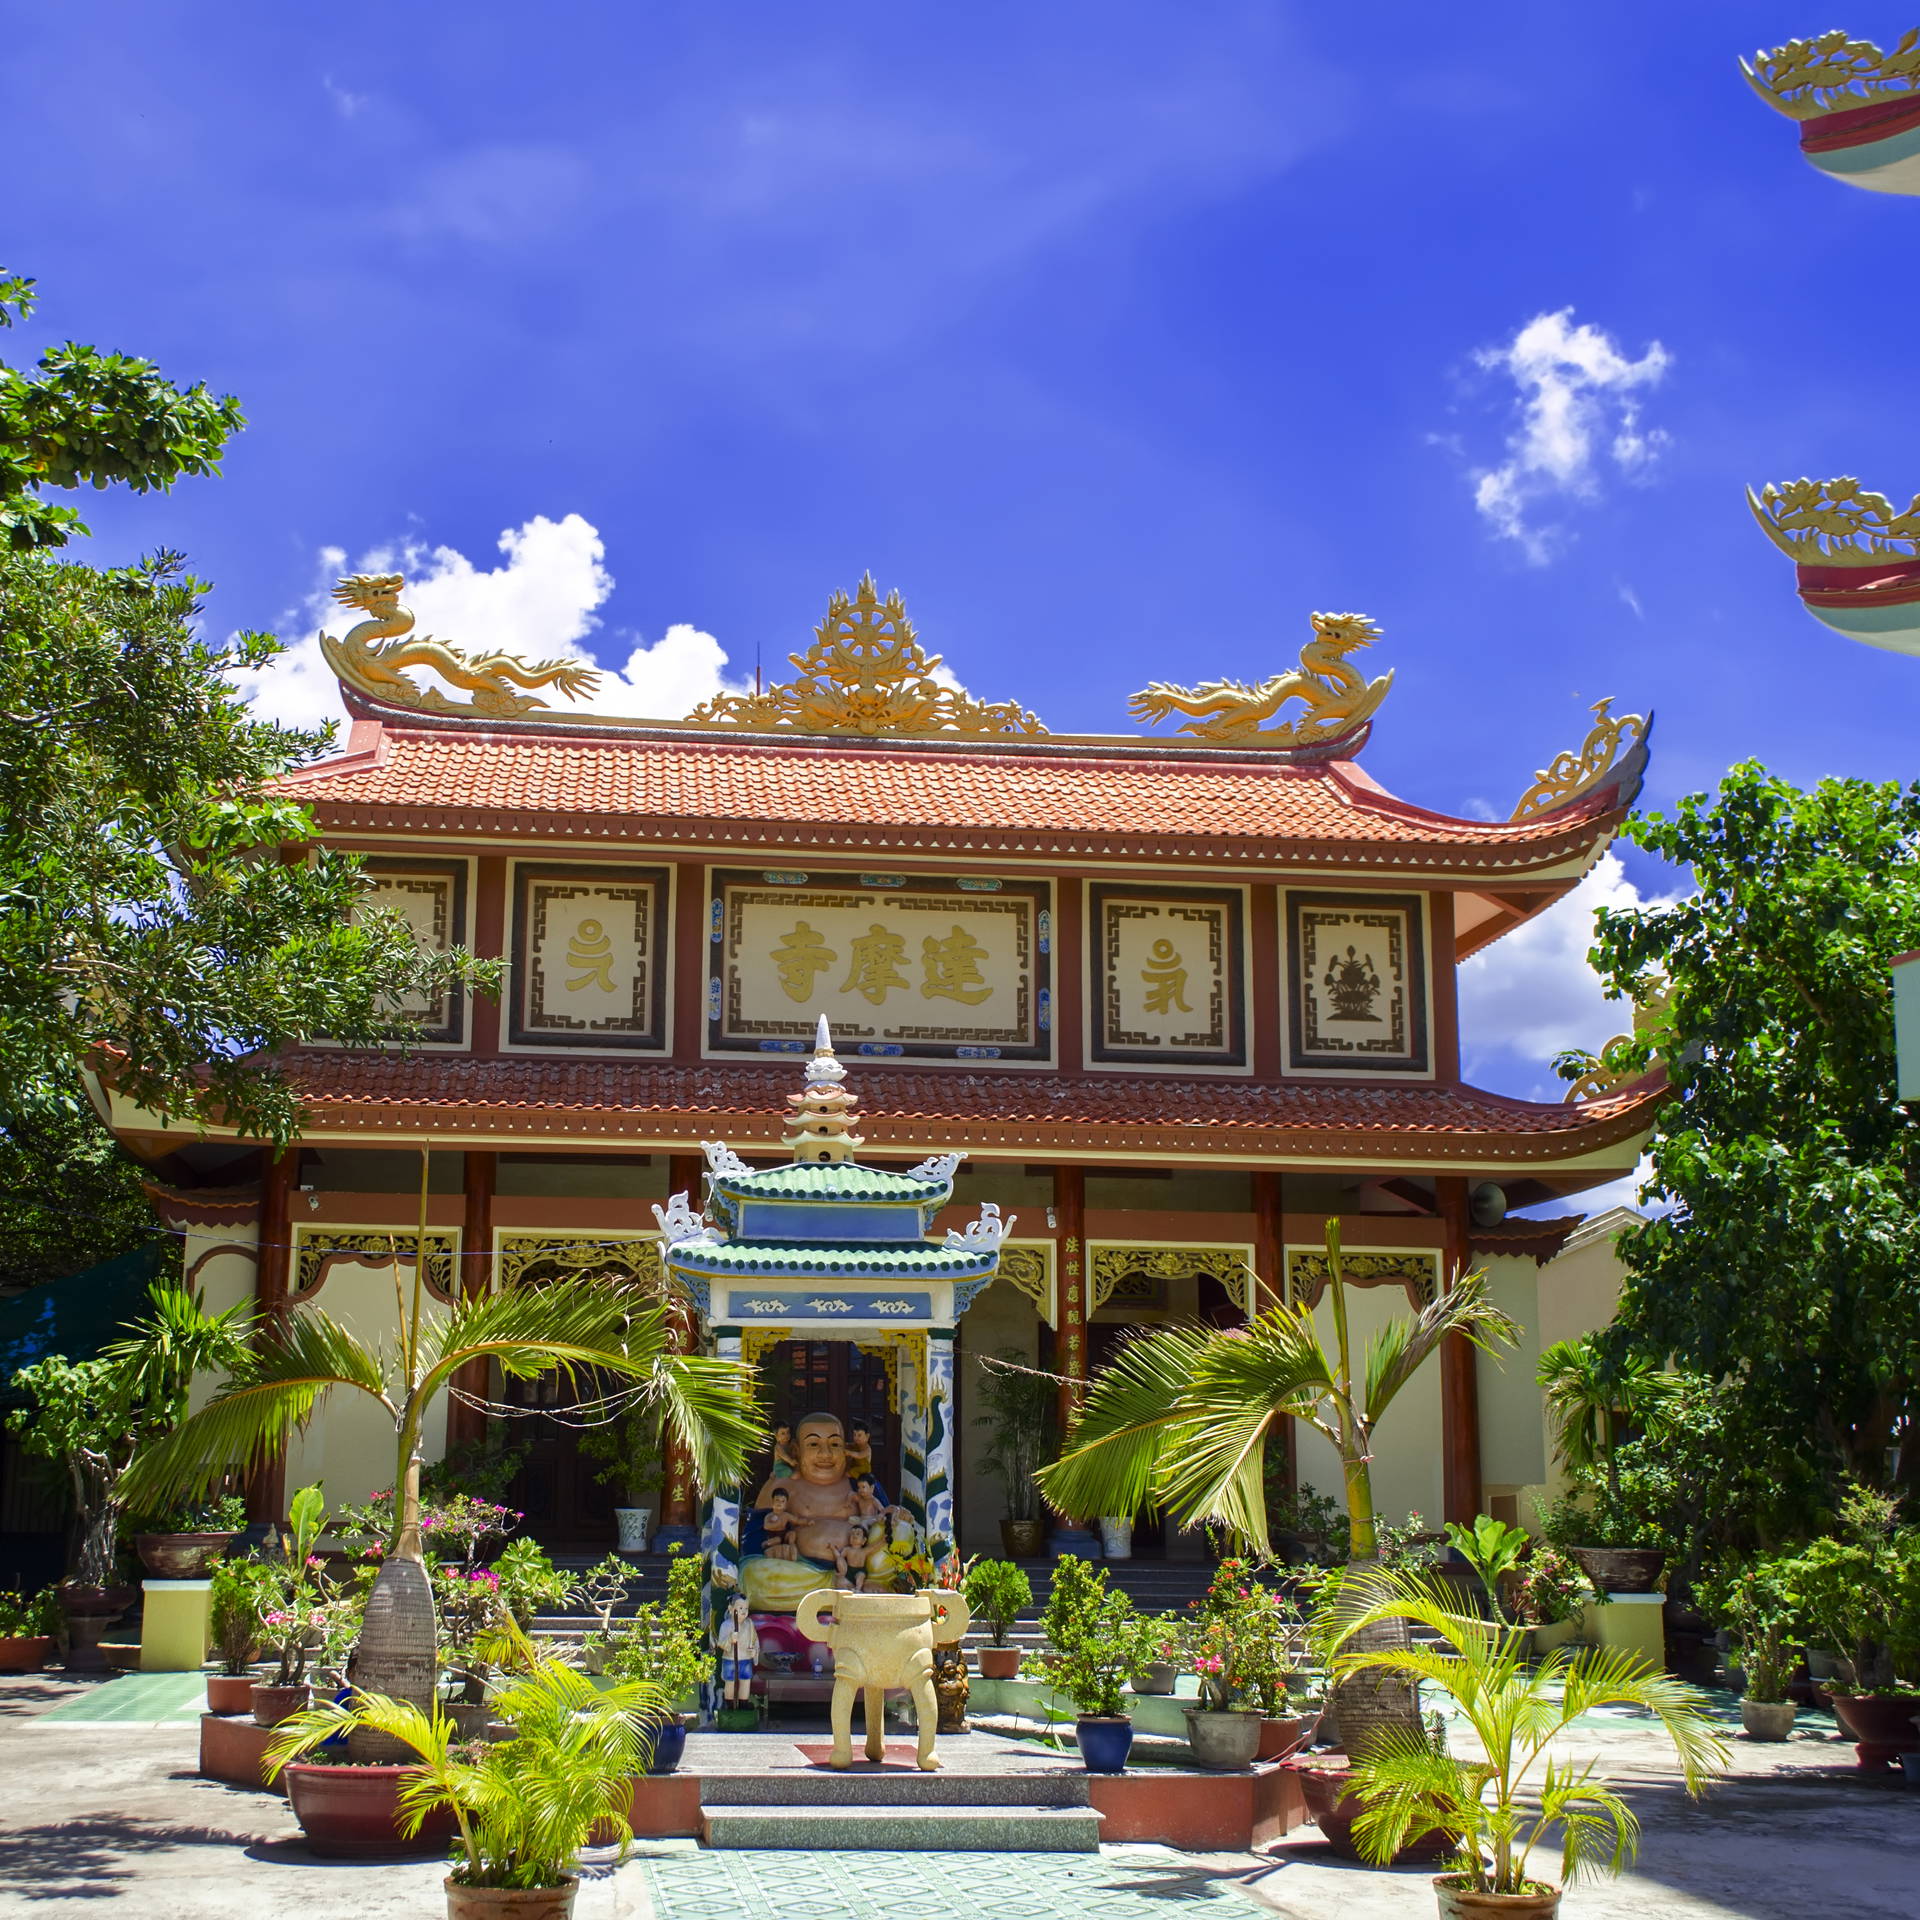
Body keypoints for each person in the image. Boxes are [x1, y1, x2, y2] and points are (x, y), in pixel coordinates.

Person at [714, 1593, 760, 1708]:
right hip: (730, 1659)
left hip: (745, 1658)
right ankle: (730, 1704)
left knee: (745, 1681)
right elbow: (721, 1643)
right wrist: (730, 1639)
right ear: (731, 1609)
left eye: (746, 1608)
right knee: (730, 1682)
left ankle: (743, 1703)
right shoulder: (726, 1625)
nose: (744, 1611)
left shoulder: (749, 1624)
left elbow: (755, 1640)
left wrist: (754, 1651)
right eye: (740, 1608)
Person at [760, 1485, 799, 1559]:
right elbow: (766, 1526)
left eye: (782, 1501)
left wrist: (806, 1522)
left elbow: (796, 1520)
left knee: (792, 1534)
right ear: (772, 1502)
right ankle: (767, 1543)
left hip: (784, 1535)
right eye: (777, 1500)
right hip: (774, 1536)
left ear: (785, 1505)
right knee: (777, 1540)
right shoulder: (769, 1516)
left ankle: (792, 1548)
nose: (779, 1503)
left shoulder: (786, 1515)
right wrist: (776, 1524)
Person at [836, 1523, 871, 1591]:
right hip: (848, 1570)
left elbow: (875, 1547)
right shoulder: (847, 1549)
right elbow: (840, 1559)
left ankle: (858, 1589)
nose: (854, 1535)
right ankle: (849, 1589)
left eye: (858, 1534)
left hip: (860, 1570)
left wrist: (883, 1540)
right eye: (852, 1534)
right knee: (840, 1581)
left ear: (864, 1540)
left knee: (860, 1577)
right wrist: (841, 1570)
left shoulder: (864, 1551)